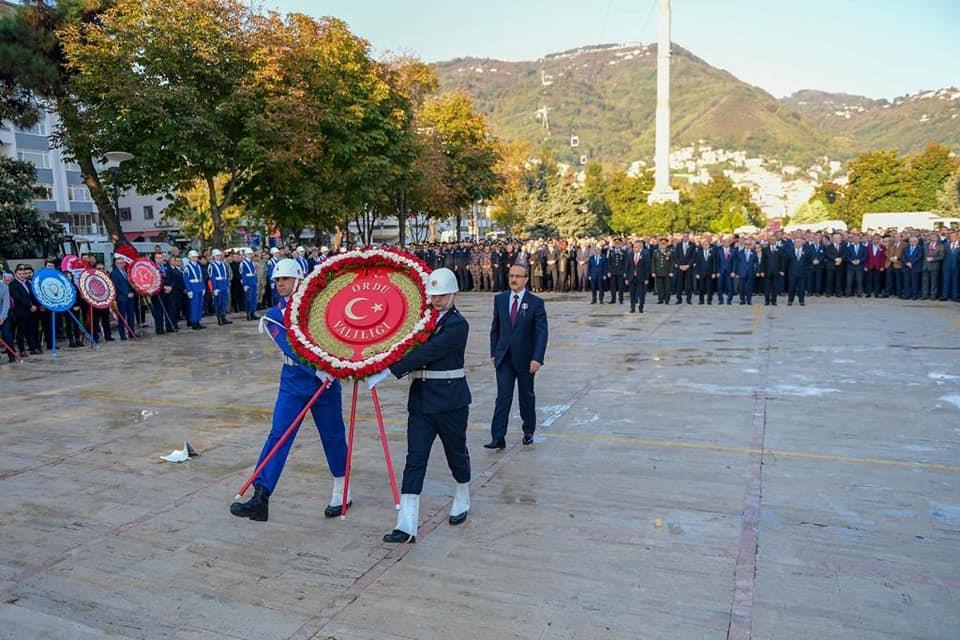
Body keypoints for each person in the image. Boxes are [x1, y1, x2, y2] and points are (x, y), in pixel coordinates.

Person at [230, 258, 348, 522]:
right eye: (277, 280)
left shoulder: (319, 308)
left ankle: (342, 490)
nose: (280, 284)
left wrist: (341, 363)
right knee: (278, 436)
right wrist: (319, 370)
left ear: (298, 279)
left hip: (326, 384)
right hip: (295, 382)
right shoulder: (274, 316)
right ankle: (261, 496)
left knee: (333, 436)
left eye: (285, 279)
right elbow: (290, 347)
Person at [367, 267, 473, 543]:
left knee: (456, 453)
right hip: (422, 400)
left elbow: (429, 352)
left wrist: (389, 370)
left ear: (453, 295)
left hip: (450, 401)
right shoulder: (419, 322)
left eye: (442, 296)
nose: (436, 301)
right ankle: (406, 524)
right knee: (415, 458)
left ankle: (463, 493)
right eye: (433, 296)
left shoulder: (457, 325)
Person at [486, 264, 548, 449]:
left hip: (525, 359)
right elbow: (495, 329)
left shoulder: (535, 302)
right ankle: (498, 437)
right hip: (504, 357)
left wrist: (537, 358)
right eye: (511, 275)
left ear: (526, 279)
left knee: (526, 396)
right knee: (503, 397)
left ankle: (528, 431)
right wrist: (493, 352)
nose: (514, 279)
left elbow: (541, 334)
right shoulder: (500, 299)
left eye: (518, 276)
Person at [111, 254, 138, 339]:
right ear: (116, 264)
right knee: (122, 317)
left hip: (131, 297)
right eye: (118, 263)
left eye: (121, 263)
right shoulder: (114, 273)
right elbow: (117, 286)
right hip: (122, 298)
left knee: (131, 316)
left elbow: (131, 283)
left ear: (124, 264)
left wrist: (133, 291)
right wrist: (127, 293)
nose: (120, 264)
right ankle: (122, 335)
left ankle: (131, 332)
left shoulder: (127, 271)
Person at [625, 239, 650, 313]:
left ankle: (641, 307)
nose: (636, 248)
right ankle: (632, 307)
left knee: (641, 293)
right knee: (632, 294)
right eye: (635, 247)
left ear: (640, 247)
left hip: (641, 277)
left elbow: (647, 267)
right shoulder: (629, 255)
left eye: (638, 247)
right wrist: (626, 278)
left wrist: (646, 278)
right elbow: (627, 267)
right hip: (632, 277)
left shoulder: (645, 255)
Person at [209, 249, 232, 325]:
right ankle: (219, 318)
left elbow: (226, 275)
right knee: (218, 303)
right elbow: (212, 278)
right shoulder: (212, 265)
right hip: (218, 286)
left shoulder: (223, 264)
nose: (218, 257)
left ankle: (223, 316)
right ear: (214, 257)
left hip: (224, 285)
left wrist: (226, 284)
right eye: (217, 256)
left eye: (219, 255)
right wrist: (215, 288)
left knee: (224, 302)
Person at [184, 250, 206, 329]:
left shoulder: (198, 266)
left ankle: (198, 321)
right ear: (190, 258)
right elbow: (186, 279)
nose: (195, 258)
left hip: (199, 287)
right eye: (193, 257)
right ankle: (194, 322)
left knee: (199, 306)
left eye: (196, 257)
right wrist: (189, 290)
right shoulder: (187, 267)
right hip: (193, 288)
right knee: (194, 306)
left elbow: (201, 278)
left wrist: (203, 287)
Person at [240, 248, 259, 320]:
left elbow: (255, 273)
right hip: (248, 283)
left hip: (253, 282)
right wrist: (245, 284)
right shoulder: (243, 263)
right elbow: (243, 274)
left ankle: (253, 313)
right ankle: (248, 314)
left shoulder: (252, 262)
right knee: (249, 299)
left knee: (254, 299)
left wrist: (256, 281)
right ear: (246, 255)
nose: (250, 255)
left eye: (251, 254)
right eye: (249, 254)